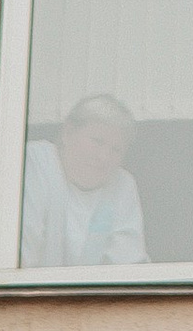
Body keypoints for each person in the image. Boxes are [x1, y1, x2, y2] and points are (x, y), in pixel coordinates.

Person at [22, 94, 149, 267]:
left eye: (116, 149)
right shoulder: (36, 162)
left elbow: (128, 265)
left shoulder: (122, 185)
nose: (104, 157)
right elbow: (21, 254)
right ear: (67, 133)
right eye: (97, 142)